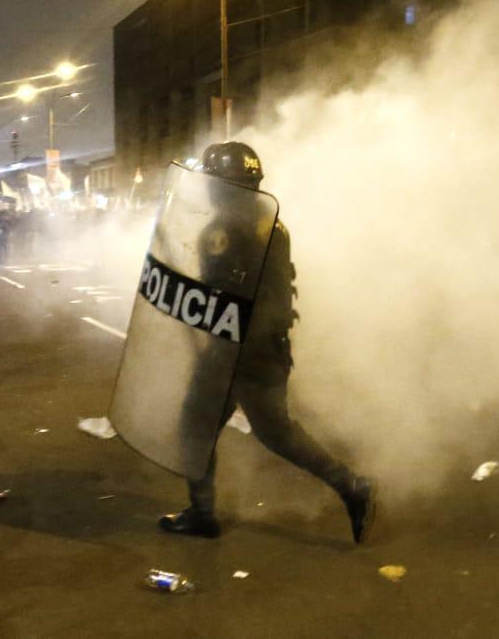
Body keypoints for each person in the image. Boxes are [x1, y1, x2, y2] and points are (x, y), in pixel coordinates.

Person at [159, 141, 377, 544]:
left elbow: (219, 294)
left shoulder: (220, 231)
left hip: (233, 351)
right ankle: (351, 486)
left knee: (195, 425)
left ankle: (203, 515)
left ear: (219, 186)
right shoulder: (272, 226)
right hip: (267, 349)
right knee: (277, 433)